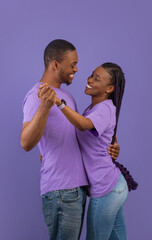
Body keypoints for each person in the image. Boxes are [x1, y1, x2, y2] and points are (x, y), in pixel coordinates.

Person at [20, 39, 120, 240]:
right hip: (61, 191)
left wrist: (111, 144)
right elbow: (26, 142)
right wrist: (45, 107)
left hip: (77, 190)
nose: (76, 69)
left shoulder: (66, 96)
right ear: (55, 65)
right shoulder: (37, 96)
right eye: (72, 64)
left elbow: (80, 132)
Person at [40, 62, 134, 239]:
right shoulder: (92, 109)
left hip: (106, 189)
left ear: (109, 88)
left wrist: (58, 103)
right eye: (91, 75)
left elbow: (83, 126)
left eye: (97, 78)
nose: (89, 79)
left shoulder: (104, 109)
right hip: (114, 186)